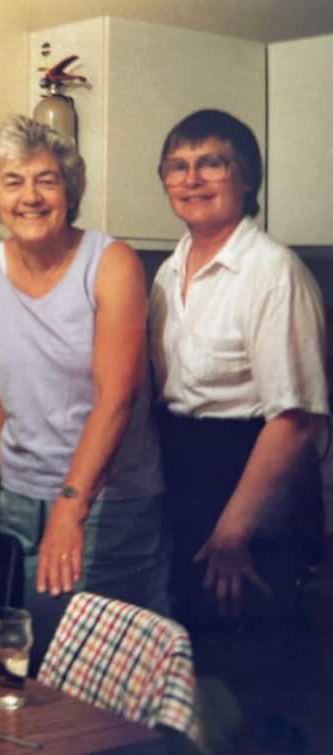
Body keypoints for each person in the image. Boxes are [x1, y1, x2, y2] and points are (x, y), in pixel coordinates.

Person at [0, 115, 170, 649]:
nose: (30, 196)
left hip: (108, 502)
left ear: (69, 192)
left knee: (92, 676)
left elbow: (117, 399)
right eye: (12, 181)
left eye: (46, 180)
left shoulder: (112, 262)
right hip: (19, 499)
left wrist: (70, 511)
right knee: (24, 662)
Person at [149, 109, 328, 625]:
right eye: (176, 166)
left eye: (212, 164)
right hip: (184, 477)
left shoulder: (273, 273)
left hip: (251, 491)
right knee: (193, 659)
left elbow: (295, 420)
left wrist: (234, 530)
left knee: (249, 672)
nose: (191, 179)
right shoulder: (169, 270)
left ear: (248, 180)